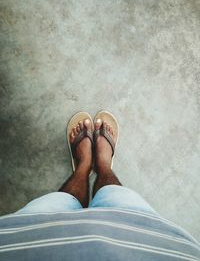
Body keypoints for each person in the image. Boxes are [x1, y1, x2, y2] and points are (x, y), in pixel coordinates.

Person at [0, 111, 199, 261]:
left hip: (30, 240)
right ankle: (102, 165)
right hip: (142, 242)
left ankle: (84, 166)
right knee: (117, 200)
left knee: (54, 208)